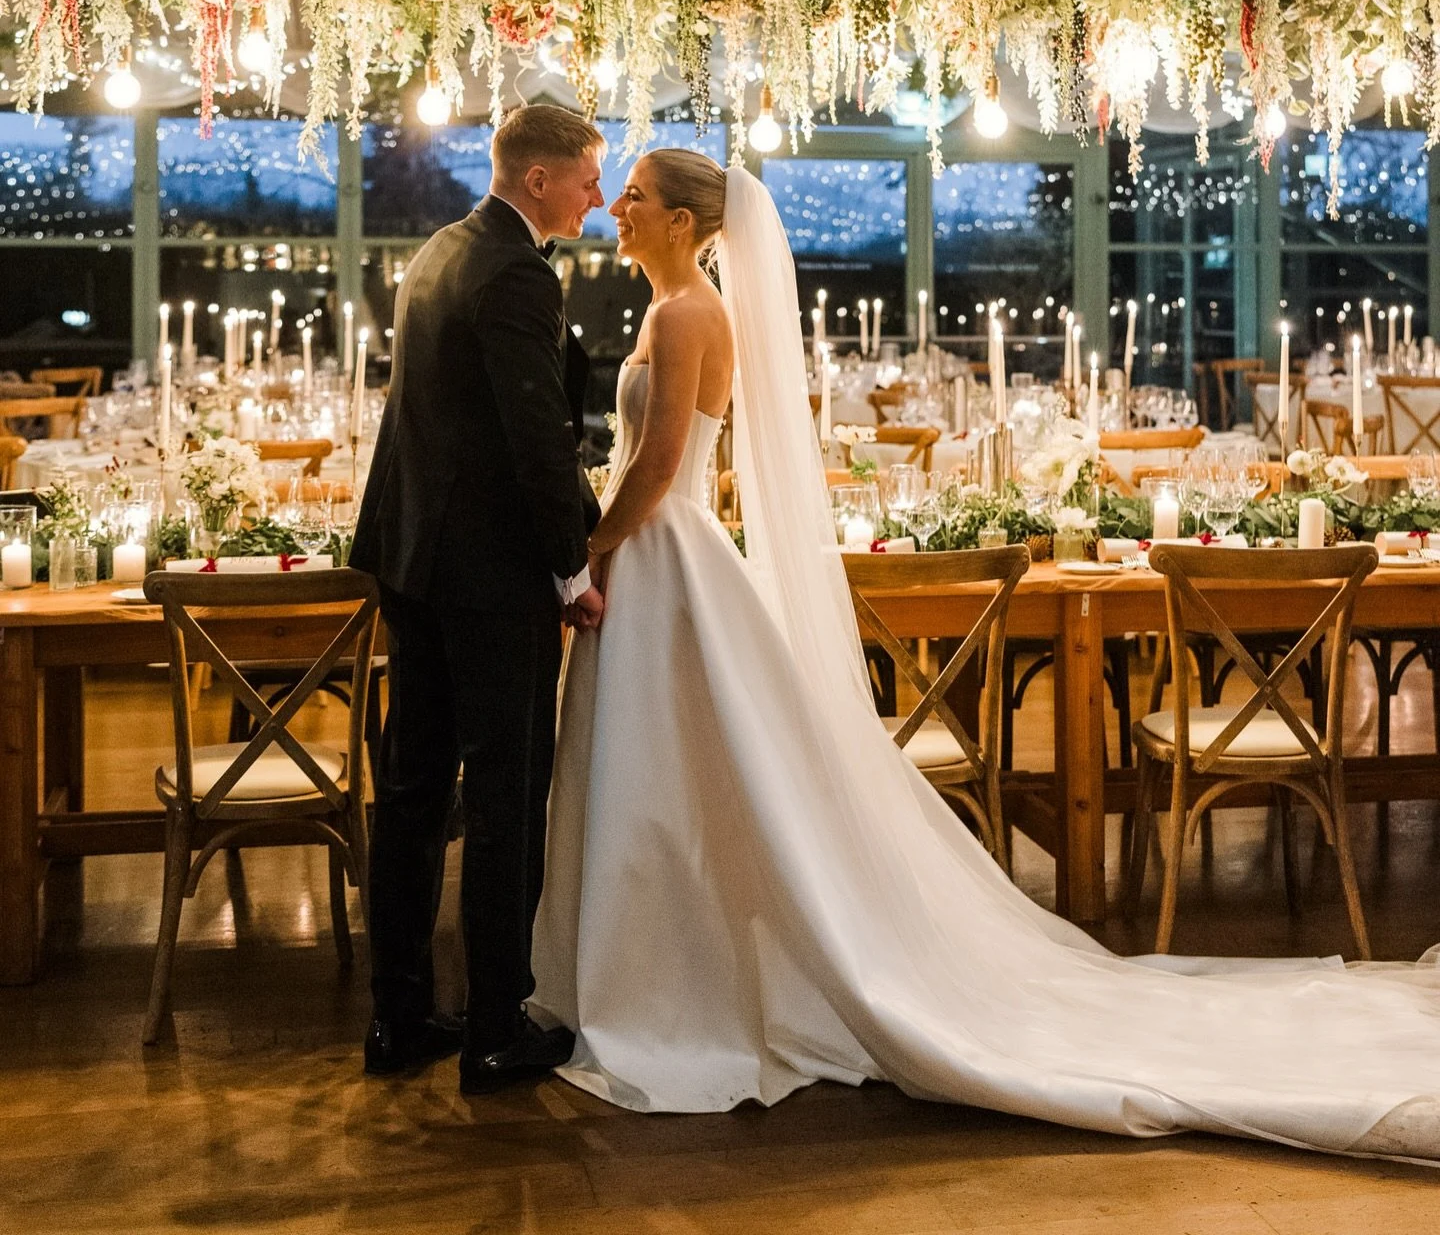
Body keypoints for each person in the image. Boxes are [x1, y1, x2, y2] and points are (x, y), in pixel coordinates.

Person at [532, 148, 1440, 1162]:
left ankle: (668, 982)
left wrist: (585, 550)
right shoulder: (694, 310)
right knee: (679, 776)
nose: (619, 207)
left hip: (663, 550)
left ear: (687, 223)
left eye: (639, 197)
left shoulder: (680, 315)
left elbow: (657, 468)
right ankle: (675, 967)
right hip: (674, 557)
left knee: (664, 775)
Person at [352, 102, 607, 1094]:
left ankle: (398, 1015)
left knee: (413, 791)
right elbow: (532, 435)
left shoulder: (439, 252)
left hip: (413, 562)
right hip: (486, 577)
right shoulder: (514, 272)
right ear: (538, 178)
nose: (596, 195)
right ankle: (496, 1027)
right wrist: (572, 572)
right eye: (588, 177)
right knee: (505, 795)